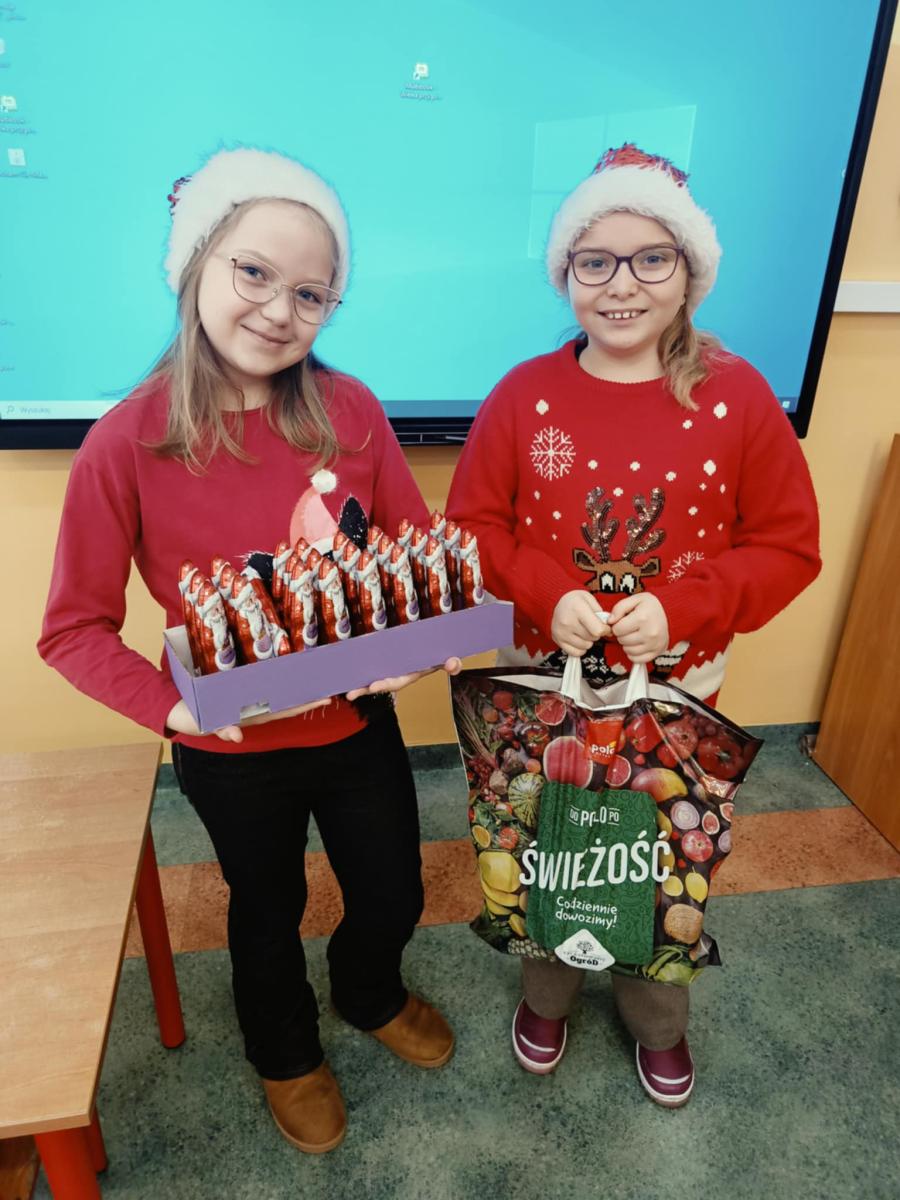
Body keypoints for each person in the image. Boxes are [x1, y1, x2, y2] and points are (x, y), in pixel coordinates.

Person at [38, 147, 459, 1153]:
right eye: (254, 273)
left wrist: (426, 638)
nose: (279, 310)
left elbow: (409, 554)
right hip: (227, 750)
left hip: (355, 722)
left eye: (311, 293)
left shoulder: (351, 411)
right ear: (196, 265)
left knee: (393, 886)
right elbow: (72, 630)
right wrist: (174, 707)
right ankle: (284, 1050)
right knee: (265, 908)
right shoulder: (125, 443)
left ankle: (367, 989)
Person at [446, 143, 820, 1106]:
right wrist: (544, 592)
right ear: (566, 273)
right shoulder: (523, 396)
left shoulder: (738, 396)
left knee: (657, 860)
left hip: (676, 696)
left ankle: (658, 1018)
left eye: (652, 258)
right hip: (543, 684)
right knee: (547, 841)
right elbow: (472, 528)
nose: (621, 284)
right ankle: (547, 993)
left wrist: (686, 606)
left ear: (690, 272)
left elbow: (788, 547)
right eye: (595, 260)